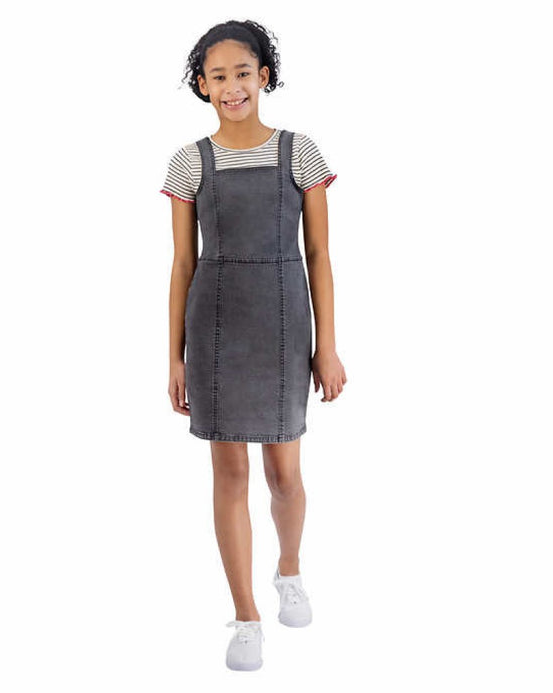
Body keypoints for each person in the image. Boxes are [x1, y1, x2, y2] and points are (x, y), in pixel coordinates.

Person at [160, 19, 347, 671]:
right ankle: (245, 616)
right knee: (230, 472)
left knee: (283, 473)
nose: (231, 86)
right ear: (202, 86)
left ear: (263, 76)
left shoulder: (300, 152)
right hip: (214, 324)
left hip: (283, 320)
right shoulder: (189, 161)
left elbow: (318, 254)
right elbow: (182, 263)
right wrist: (175, 355)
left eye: (242, 72)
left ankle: (288, 569)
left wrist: (327, 346)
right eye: (218, 76)